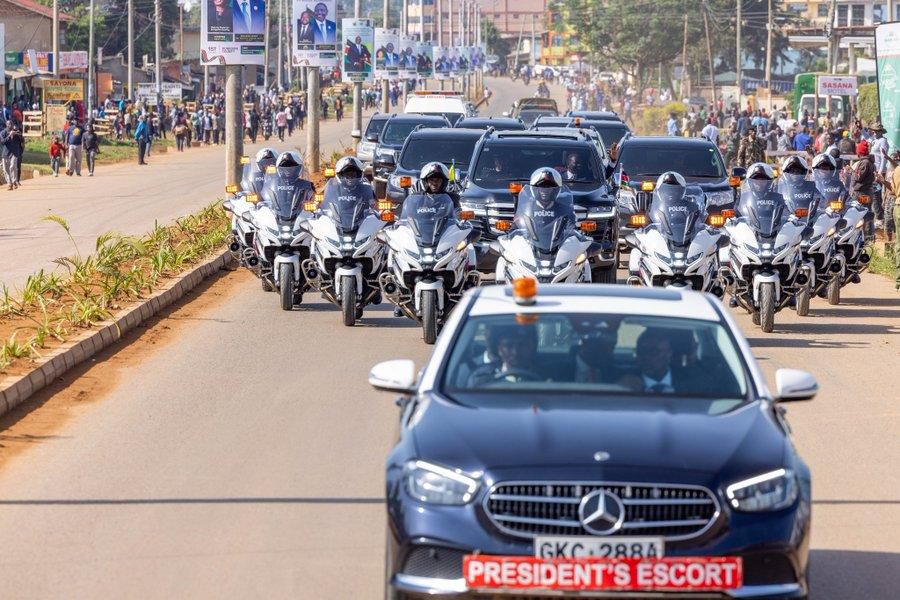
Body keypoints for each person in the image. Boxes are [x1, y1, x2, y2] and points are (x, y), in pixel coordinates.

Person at [617, 328, 706, 394]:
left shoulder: (691, 382)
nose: (646, 357)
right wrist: (619, 388)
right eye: (641, 351)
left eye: (654, 351)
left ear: (669, 353)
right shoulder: (625, 383)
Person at [468, 325, 540, 386]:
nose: (515, 352)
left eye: (522, 345)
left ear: (532, 347)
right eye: (508, 346)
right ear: (499, 349)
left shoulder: (547, 376)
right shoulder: (482, 379)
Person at [1, 121, 24, 190]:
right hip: (5, 153)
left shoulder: (17, 132)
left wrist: (16, 134)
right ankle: (9, 183)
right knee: (5, 169)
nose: (10, 125)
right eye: (8, 124)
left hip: (14, 153)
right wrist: (9, 135)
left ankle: (14, 182)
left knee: (12, 166)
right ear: (6, 125)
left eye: (11, 124)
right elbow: (2, 142)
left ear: (13, 124)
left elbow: (22, 140)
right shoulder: (3, 133)